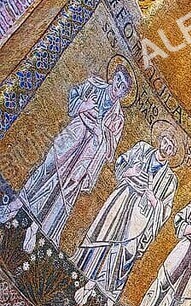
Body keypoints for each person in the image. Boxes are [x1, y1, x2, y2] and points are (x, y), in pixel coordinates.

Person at [1, 67, 132, 253]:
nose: (117, 86)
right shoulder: (93, 85)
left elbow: (110, 150)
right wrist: (82, 105)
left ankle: (36, 228)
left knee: (66, 191)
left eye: (123, 87)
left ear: (124, 93)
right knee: (47, 168)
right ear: (112, 77)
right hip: (72, 136)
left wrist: (100, 133)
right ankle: (15, 206)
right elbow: (73, 96)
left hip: (87, 156)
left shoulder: (118, 118)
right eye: (118, 80)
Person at [72, 122, 182, 306]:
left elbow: (165, 210)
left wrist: (152, 198)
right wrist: (129, 171)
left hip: (140, 218)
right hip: (122, 199)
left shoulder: (170, 180)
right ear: (160, 139)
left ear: (174, 153)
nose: (167, 148)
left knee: (125, 255)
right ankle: (89, 285)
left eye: (171, 148)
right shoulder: (141, 149)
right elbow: (121, 163)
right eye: (166, 142)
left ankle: (109, 302)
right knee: (105, 241)